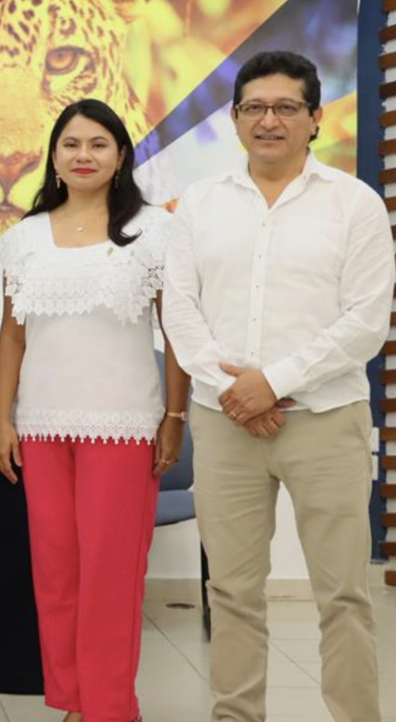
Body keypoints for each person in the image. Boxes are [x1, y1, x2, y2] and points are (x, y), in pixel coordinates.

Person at [163, 50, 392, 722]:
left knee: (343, 593)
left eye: (286, 107)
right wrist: (235, 389)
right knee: (233, 591)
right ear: (235, 119)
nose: (270, 120)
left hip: (327, 420)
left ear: (315, 118)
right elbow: (180, 308)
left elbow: (367, 320)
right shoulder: (200, 204)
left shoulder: (355, 204)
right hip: (224, 423)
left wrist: (275, 382)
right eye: (255, 107)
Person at [0, 99, 190, 722]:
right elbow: (11, 336)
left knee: (110, 576)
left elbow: (177, 332)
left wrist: (175, 418)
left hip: (125, 427)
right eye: (71, 144)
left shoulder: (154, 230)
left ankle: (110, 708)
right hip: (42, 426)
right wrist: (3, 419)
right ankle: (75, 701)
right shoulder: (23, 237)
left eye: (98, 144)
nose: (84, 155)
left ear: (121, 155)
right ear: (53, 156)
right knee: (57, 574)